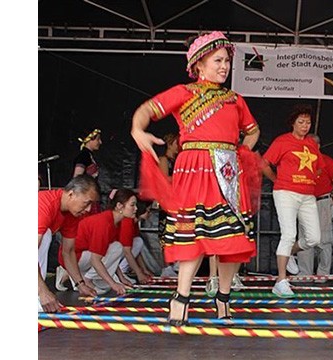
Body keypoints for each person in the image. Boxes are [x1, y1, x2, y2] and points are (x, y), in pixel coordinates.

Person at [130, 30, 261, 325]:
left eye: (227, 60)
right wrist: (138, 131)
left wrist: (241, 153)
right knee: (195, 234)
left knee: (233, 237)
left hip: (227, 172)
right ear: (199, 65)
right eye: (218, 60)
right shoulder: (184, 92)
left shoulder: (235, 99)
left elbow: (253, 131)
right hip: (195, 168)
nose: (224, 66)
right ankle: (181, 297)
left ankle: (223, 297)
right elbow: (146, 110)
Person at [262, 104, 323, 297]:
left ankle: (289, 253)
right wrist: (276, 179)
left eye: (308, 122)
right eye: (301, 122)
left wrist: (312, 178)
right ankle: (281, 281)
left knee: (314, 238)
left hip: (308, 195)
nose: (305, 126)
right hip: (285, 192)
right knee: (288, 234)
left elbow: (319, 167)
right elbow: (264, 163)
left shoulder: (312, 144)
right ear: (293, 123)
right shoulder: (282, 141)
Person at [56, 188, 138, 295]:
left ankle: (82, 276)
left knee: (116, 248)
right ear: (119, 206)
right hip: (74, 257)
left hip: (83, 255)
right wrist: (114, 284)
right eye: (132, 205)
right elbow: (96, 259)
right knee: (117, 247)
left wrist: (121, 278)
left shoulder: (115, 222)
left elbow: (110, 256)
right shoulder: (104, 223)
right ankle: (86, 279)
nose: (136, 209)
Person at [38, 174, 99, 312]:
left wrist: (80, 284)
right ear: (71, 194)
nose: (89, 209)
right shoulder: (46, 204)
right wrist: (43, 292)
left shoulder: (72, 214)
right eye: (87, 202)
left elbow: (68, 252)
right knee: (46, 236)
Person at [296, 133, 333, 282]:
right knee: (305, 238)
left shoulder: (327, 161)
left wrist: (331, 202)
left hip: (322, 201)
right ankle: (305, 273)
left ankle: (322, 273)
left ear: (318, 146)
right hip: (305, 202)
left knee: (324, 239)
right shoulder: (300, 161)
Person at [157, 132, 180, 277]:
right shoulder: (164, 160)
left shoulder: (178, 159)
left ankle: (177, 261)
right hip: (167, 201)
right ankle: (166, 266)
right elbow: (164, 180)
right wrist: (182, 177)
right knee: (166, 233)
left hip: (179, 201)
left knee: (179, 231)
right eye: (177, 143)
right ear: (170, 143)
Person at [117, 197, 155, 284]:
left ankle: (122, 272)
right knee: (138, 241)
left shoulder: (134, 223)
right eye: (148, 211)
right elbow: (127, 251)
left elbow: (136, 251)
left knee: (138, 241)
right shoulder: (127, 222)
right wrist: (139, 273)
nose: (150, 214)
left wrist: (144, 270)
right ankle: (121, 273)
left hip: (119, 253)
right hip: (111, 254)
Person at [72, 128, 103, 213]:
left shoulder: (89, 156)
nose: (100, 142)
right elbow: (77, 177)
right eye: (98, 139)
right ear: (89, 140)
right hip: (86, 198)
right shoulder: (83, 156)